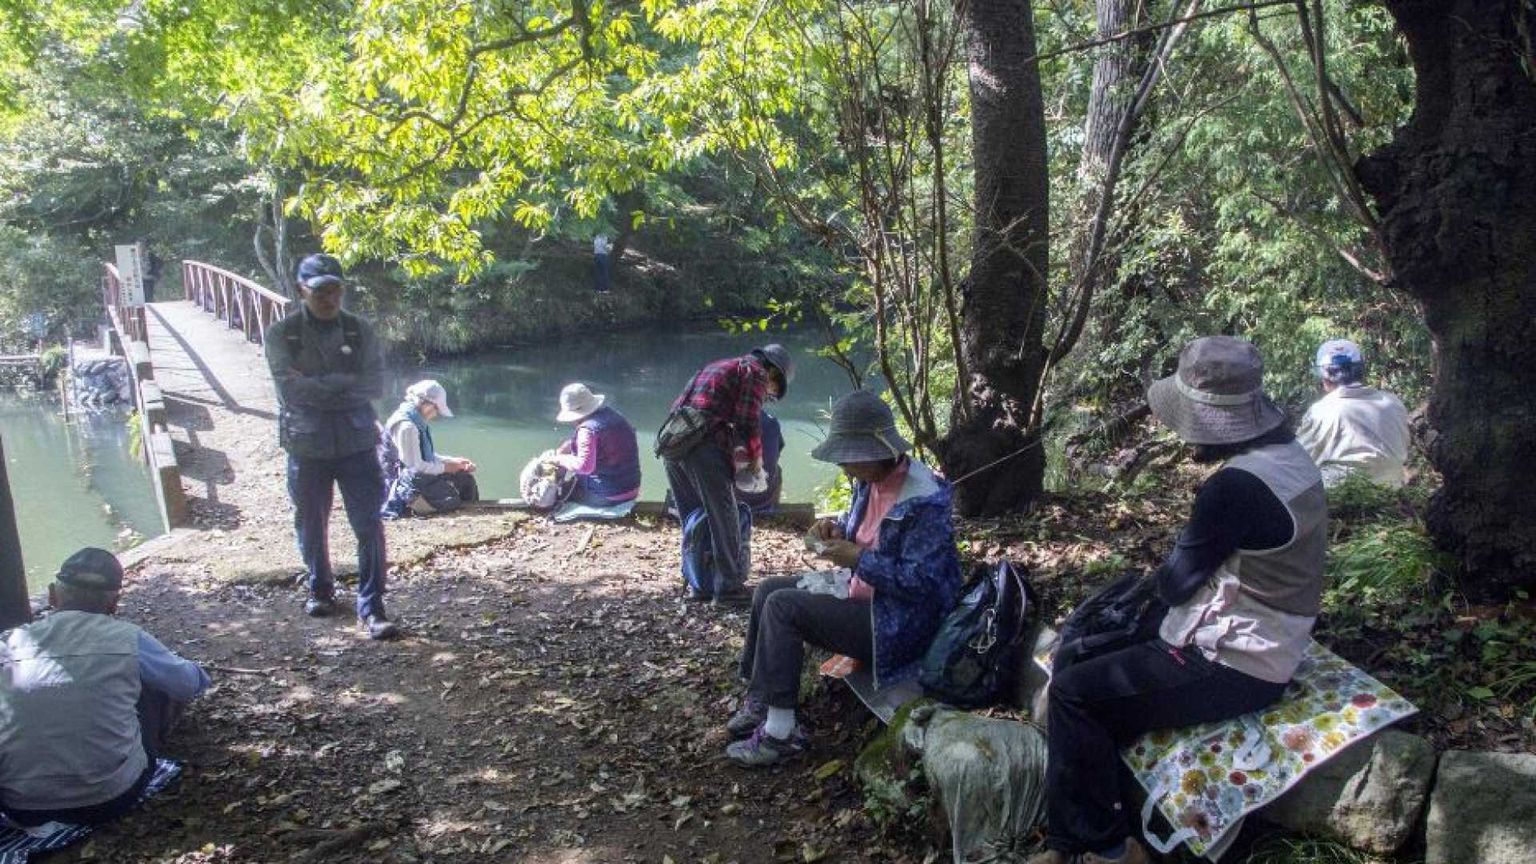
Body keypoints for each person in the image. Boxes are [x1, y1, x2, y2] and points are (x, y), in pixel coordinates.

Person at [1028, 336, 1328, 864]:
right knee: (1089, 661)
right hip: (1273, 632)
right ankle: (1068, 838)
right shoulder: (1290, 456)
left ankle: (1108, 849)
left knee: (1073, 691)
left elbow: (1175, 585)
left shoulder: (1233, 488)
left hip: (1237, 662)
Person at [725, 390, 961, 767]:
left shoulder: (924, 501)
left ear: (875, 451)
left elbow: (925, 584)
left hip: (899, 624)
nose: (844, 469)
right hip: (866, 595)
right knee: (769, 589)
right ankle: (761, 699)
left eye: (849, 459)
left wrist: (860, 559)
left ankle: (779, 733)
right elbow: (863, 536)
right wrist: (834, 532)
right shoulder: (868, 482)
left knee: (783, 608)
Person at [0, 548, 210, 827]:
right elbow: (187, 684)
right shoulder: (127, 639)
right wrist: (199, 673)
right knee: (149, 687)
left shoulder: (10, 642)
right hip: (108, 798)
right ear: (114, 603)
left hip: (20, 805)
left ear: (52, 595)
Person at [263, 253, 398, 640]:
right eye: (321, 290)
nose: (329, 297)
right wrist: (344, 384)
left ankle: (372, 607)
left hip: (357, 441)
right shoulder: (281, 334)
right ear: (302, 290)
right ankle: (320, 589)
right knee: (310, 521)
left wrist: (318, 383)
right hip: (306, 445)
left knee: (369, 524)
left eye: (336, 288)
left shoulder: (360, 331)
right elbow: (290, 391)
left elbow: (375, 386)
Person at [663, 344, 794, 604]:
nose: (767, 397)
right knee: (725, 515)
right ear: (773, 374)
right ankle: (729, 589)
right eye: (772, 393)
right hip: (701, 446)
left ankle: (699, 583)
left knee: (692, 517)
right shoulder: (756, 372)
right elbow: (748, 421)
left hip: (672, 443)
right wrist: (756, 459)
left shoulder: (717, 366)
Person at [1295, 338, 1410, 489]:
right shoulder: (1393, 403)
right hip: (1395, 494)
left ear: (1325, 377)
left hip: (1340, 502)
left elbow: (1298, 463)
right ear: (1361, 371)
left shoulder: (1321, 412)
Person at [380, 379, 480, 518]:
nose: (436, 414)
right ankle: (418, 505)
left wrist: (455, 462)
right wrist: (447, 467)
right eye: (437, 409)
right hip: (401, 481)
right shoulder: (407, 426)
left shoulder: (417, 420)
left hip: (414, 475)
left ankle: (466, 508)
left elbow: (426, 456)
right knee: (450, 499)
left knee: (465, 480)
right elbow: (415, 467)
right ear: (426, 405)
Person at [552, 382, 641, 506]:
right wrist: (570, 446)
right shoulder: (613, 415)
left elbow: (584, 467)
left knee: (555, 494)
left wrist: (559, 459)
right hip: (631, 488)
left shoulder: (587, 430)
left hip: (608, 495)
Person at [734, 410, 785, 514]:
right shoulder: (771, 422)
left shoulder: (723, 421)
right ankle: (771, 510)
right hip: (764, 501)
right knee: (777, 469)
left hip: (732, 502)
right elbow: (777, 452)